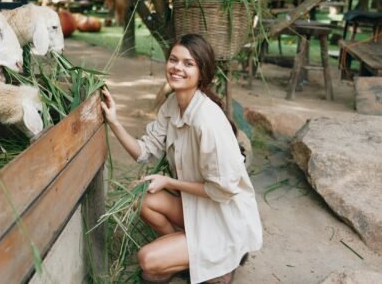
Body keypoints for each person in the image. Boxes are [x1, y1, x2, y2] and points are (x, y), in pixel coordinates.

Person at [100, 34, 262, 284]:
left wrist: (170, 183)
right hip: (196, 207)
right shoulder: (172, 105)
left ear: (202, 72)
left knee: (147, 262)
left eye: (188, 63)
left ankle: (217, 258)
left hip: (223, 218)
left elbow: (223, 190)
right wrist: (113, 120)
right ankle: (193, 256)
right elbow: (143, 151)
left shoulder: (207, 120)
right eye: (173, 60)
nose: (177, 67)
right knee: (142, 196)